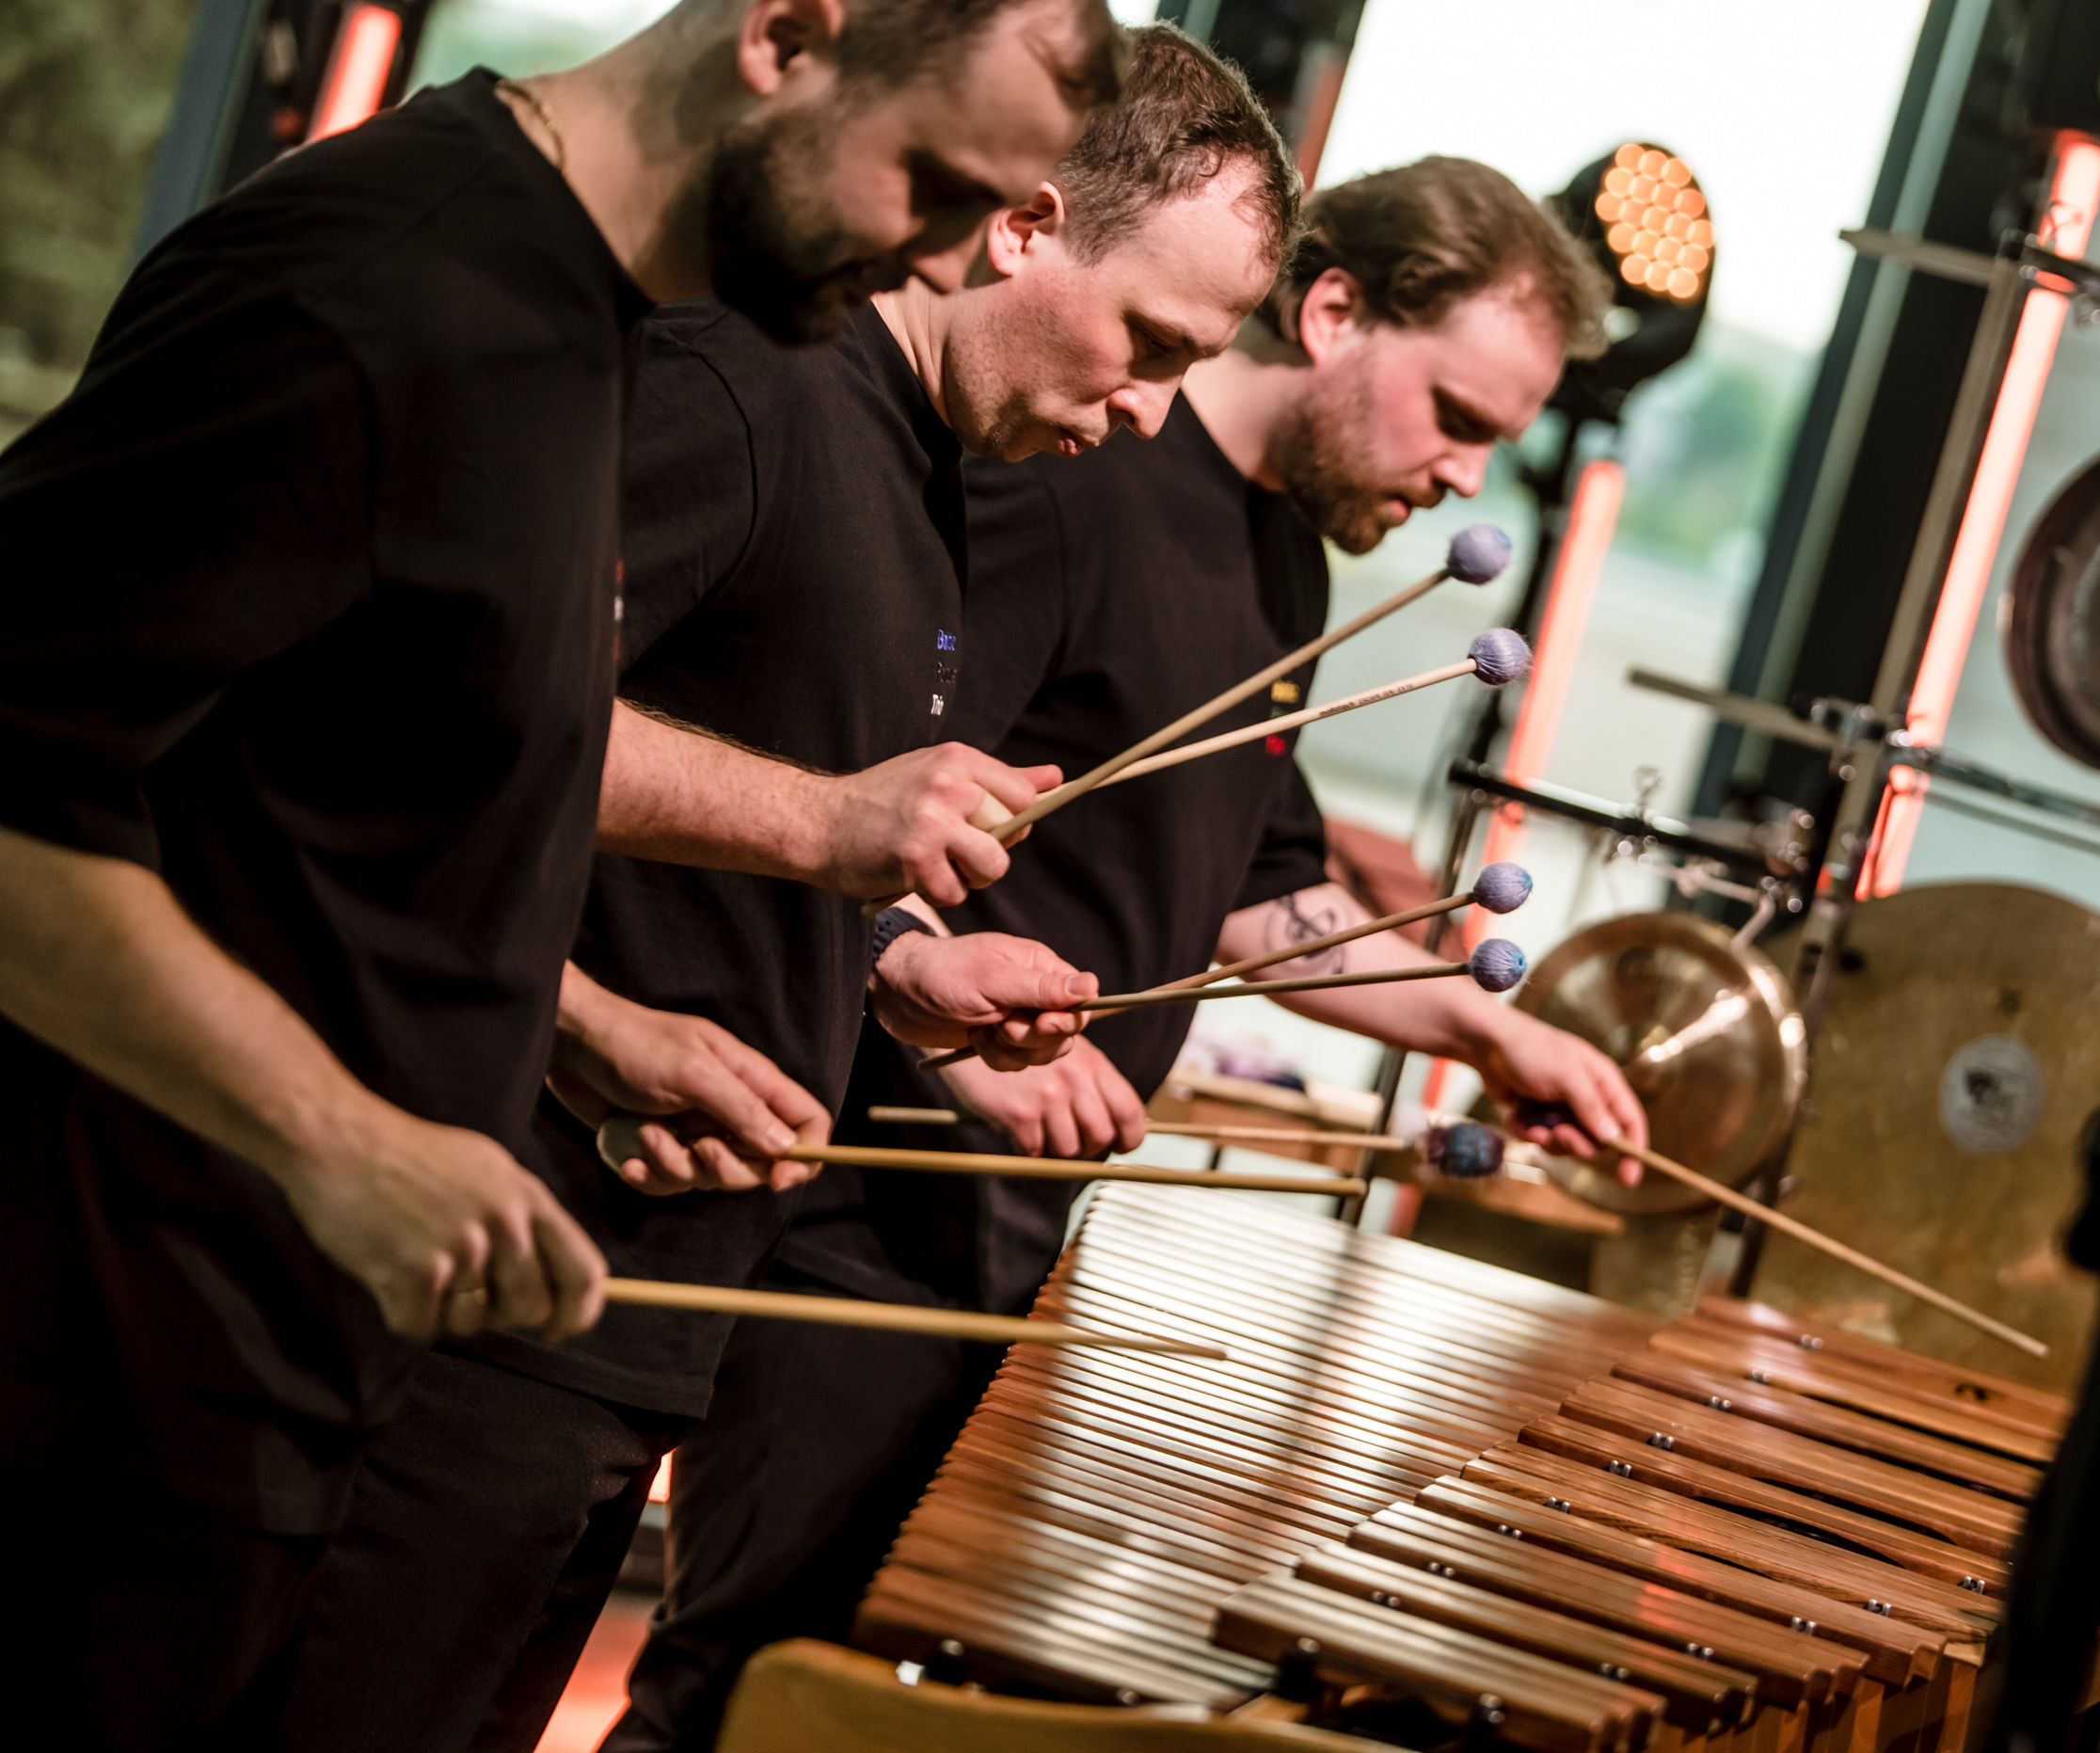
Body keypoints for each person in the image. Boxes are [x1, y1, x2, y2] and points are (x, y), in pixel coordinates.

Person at [0, 0, 1117, 1741]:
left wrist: (577, 1023)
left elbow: (342, 768)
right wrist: (344, 1138)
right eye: (936, 184)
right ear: (788, 35)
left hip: (299, 1355)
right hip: (108, 1351)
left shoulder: (588, 318)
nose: (951, 260)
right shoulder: (383, 276)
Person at [275, 25, 1297, 1753]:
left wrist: (896, 964)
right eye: (1151, 343)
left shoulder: (921, 462)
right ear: (1026, 226)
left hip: (627, 1314)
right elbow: (439, 712)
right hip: (468, 1282)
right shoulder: (747, 385)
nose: (1151, 410)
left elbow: (728, 807)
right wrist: (767, 876)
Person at [612, 153, 1646, 1753]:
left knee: (859, 1707)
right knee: (740, 1690)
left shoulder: (1286, 563)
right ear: (1332, 312)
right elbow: (869, 798)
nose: (1465, 475)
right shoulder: (1067, 482)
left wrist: (1487, 1031)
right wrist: (939, 1021)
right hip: (866, 1204)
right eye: (1456, 414)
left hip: (1021, 1235)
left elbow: (1258, 900)